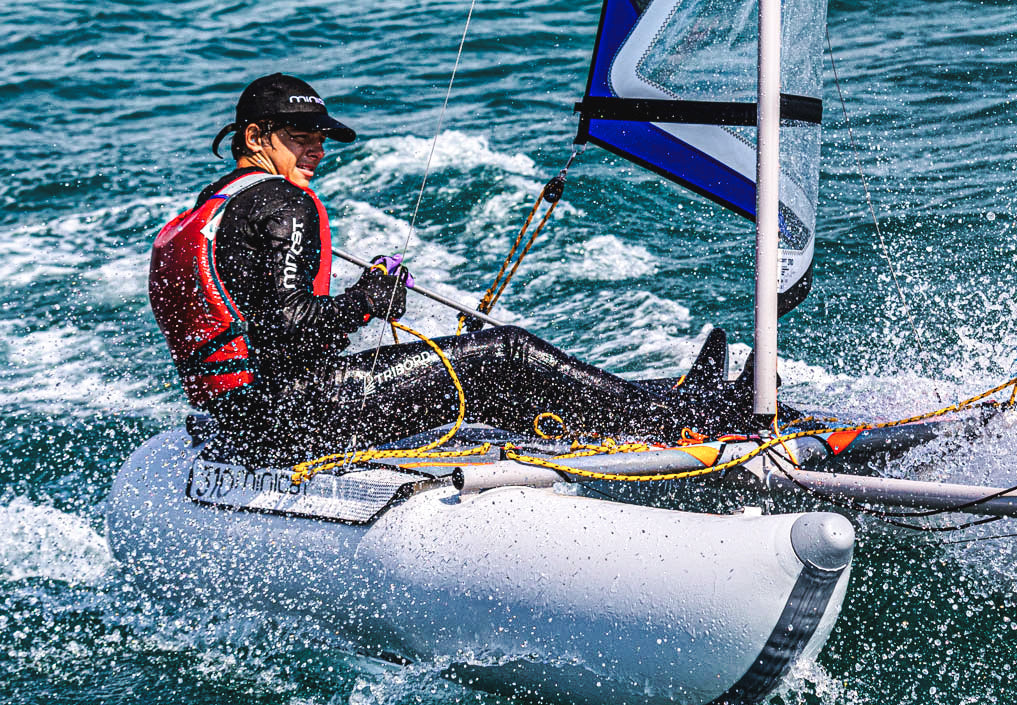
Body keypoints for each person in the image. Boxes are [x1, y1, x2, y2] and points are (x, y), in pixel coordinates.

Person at [150, 73, 738, 465]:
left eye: (321, 140)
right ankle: (684, 420)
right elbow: (287, 325)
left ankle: (645, 406)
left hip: (241, 420)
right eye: (301, 139)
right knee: (502, 353)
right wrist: (367, 300)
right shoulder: (282, 201)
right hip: (299, 415)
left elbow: (262, 327)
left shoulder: (214, 205)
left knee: (477, 374)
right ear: (255, 137)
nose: (317, 152)